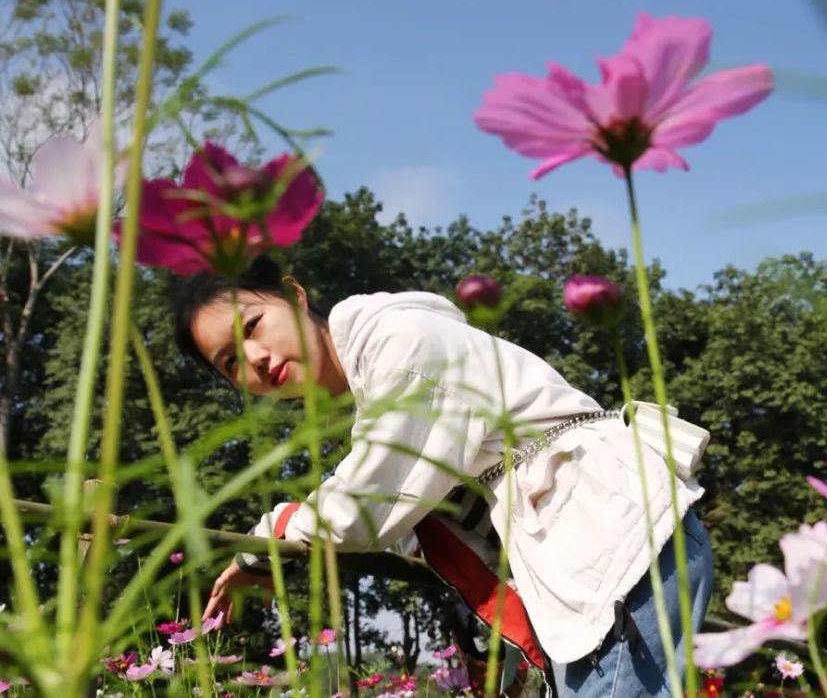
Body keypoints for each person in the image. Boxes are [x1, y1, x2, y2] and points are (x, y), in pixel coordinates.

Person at [175, 256, 714, 697]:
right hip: (596, 548)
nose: (255, 359)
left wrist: (273, 534)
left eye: (252, 326)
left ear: (293, 294)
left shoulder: (402, 342)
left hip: (611, 539)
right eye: (229, 363)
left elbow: (368, 502)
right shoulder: (374, 379)